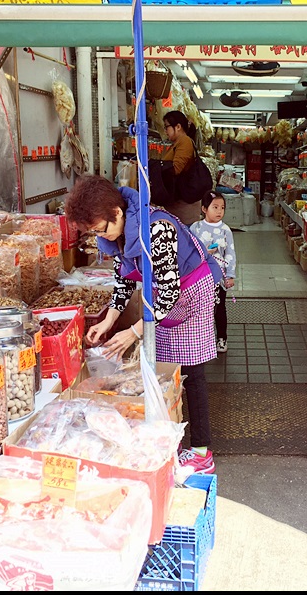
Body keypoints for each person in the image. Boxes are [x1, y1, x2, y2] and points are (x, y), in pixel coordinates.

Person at [65, 174, 222, 475]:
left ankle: (202, 451)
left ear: (117, 213)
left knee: (191, 370)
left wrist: (133, 332)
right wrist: (109, 320)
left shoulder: (156, 229)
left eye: (102, 229)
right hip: (163, 299)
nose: (103, 236)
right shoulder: (117, 234)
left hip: (191, 291)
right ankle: (169, 438)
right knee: (166, 371)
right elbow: (124, 280)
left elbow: (170, 292)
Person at [190, 191, 237, 353]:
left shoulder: (225, 230)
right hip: (198, 278)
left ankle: (221, 339)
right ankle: (202, 339)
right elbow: (189, 251)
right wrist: (204, 253)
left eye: (222, 208)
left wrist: (230, 275)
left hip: (218, 278)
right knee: (200, 309)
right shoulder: (195, 228)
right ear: (204, 208)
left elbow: (230, 253)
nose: (219, 211)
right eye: (215, 207)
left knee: (219, 308)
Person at [161, 110, 202, 226]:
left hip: (184, 205)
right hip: (179, 203)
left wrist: (157, 168)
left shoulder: (185, 141)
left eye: (167, 127)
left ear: (178, 127)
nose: (165, 131)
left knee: (184, 239)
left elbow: (176, 168)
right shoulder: (177, 143)